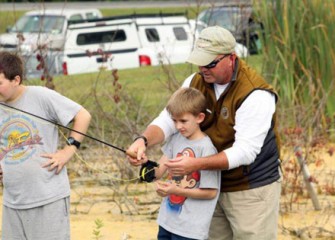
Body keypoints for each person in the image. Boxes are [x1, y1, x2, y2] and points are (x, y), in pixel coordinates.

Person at [127, 26, 282, 240]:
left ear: (232, 58)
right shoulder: (194, 82)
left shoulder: (256, 94)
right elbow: (168, 120)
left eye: (210, 63)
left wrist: (195, 164)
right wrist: (143, 141)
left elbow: (245, 152)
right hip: (208, 186)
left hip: (250, 187)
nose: (203, 69)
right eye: (199, 61)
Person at [0, 51, 91, 240]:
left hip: (47, 199)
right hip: (13, 202)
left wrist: (69, 150)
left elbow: (83, 116)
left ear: (15, 80)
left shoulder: (41, 96)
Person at [139, 87, 220, 240]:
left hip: (190, 230)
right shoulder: (176, 139)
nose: (177, 126)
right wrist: (146, 165)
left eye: (183, 121)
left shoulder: (207, 149)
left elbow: (211, 192)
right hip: (167, 222)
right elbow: (159, 172)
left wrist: (176, 190)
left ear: (200, 117)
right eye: (174, 121)